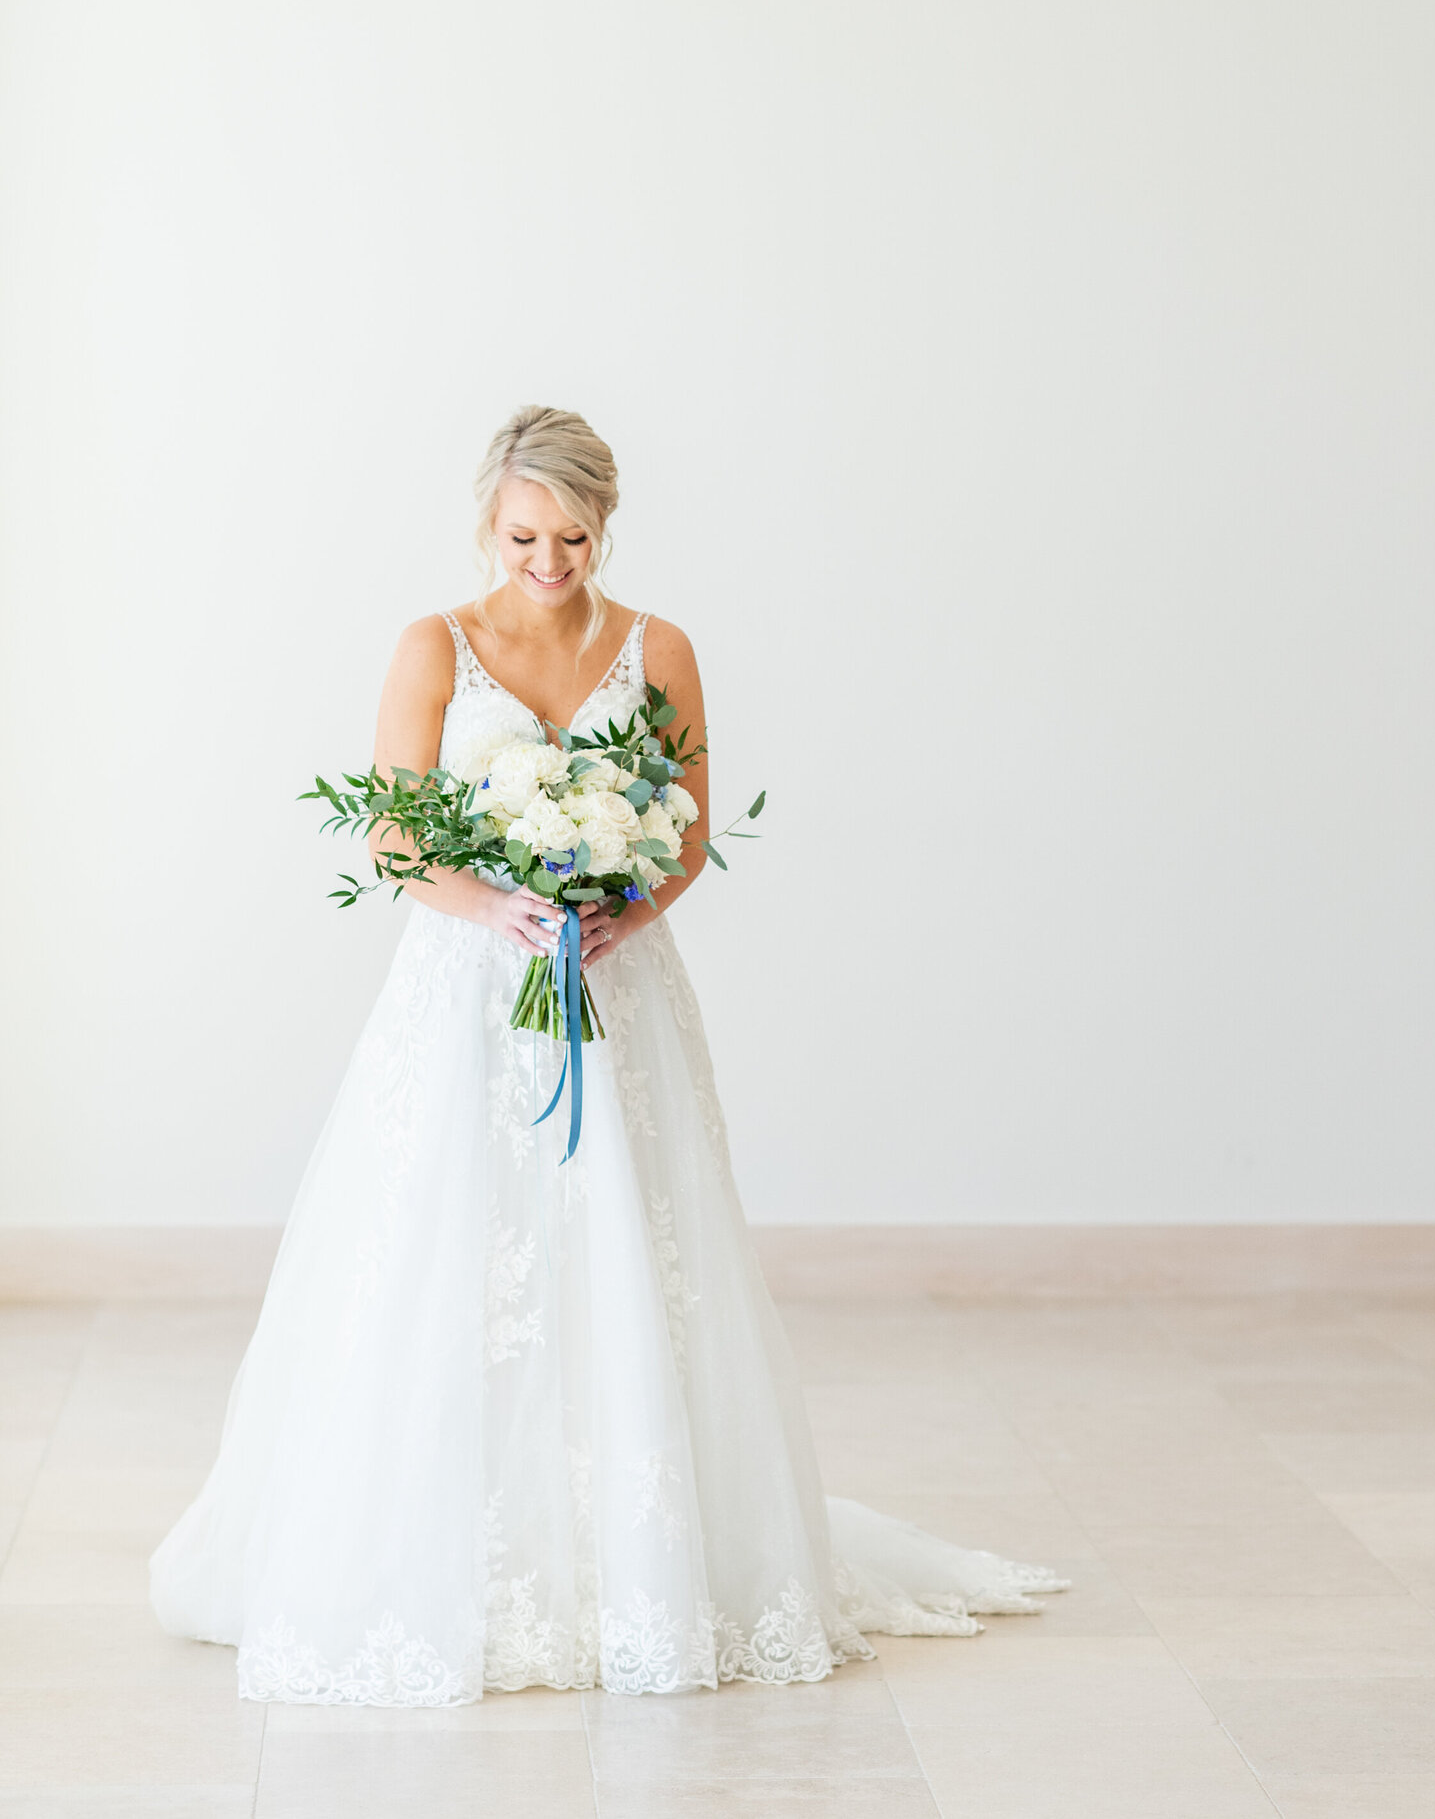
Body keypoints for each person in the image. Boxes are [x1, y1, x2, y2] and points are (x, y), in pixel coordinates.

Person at [151, 403, 1064, 1704]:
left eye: (572, 538)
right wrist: (498, 910)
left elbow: (685, 833)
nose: (548, 560)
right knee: (457, 1254)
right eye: (524, 535)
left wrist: (619, 915)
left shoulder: (659, 649)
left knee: (633, 1249)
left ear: (604, 525)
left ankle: (640, 1554)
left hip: (615, 992)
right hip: (467, 998)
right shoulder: (433, 646)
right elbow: (396, 839)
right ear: (489, 521)